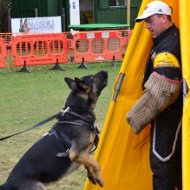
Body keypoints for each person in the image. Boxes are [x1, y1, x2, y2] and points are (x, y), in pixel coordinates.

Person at [127, 1, 182, 190]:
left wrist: (136, 116)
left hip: (169, 116)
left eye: (150, 21)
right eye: (145, 23)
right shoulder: (167, 39)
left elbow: (166, 91)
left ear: (164, 17)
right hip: (170, 116)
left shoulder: (168, 45)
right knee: (174, 166)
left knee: (162, 164)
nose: (147, 26)